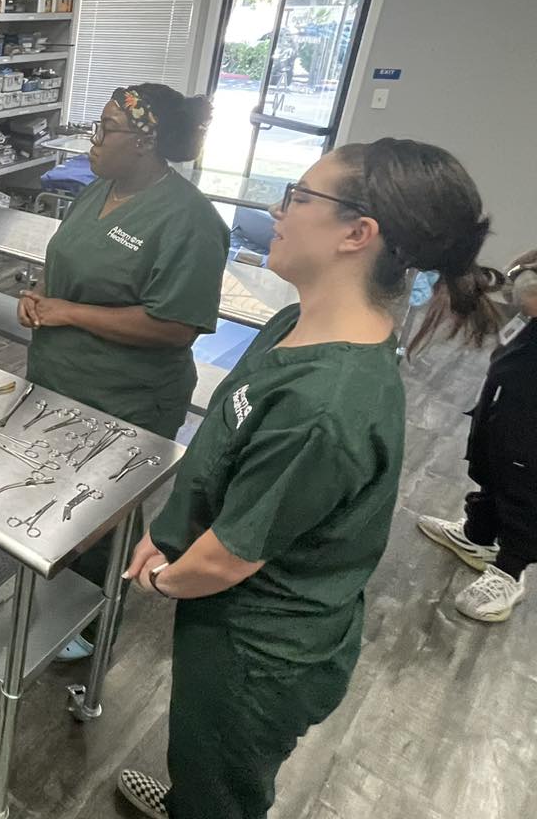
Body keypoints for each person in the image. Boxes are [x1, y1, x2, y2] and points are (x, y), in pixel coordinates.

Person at [115, 139, 501, 819]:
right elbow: (221, 451)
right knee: (199, 760)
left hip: (258, 652)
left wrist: (162, 578)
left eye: (297, 196)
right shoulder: (298, 324)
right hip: (224, 618)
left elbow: (230, 557)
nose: (278, 209)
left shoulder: (328, 407)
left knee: (223, 788)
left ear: (358, 233)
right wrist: (169, 533)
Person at [18, 84, 229, 659]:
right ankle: (60, 590)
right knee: (64, 494)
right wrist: (41, 297)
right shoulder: (97, 192)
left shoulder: (191, 221)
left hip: (126, 396)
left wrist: (68, 311)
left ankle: (92, 622)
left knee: (107, 513)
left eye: (104, 128)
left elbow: (176, 325)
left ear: (143, 141)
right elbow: (70, 268)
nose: (92, 138)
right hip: (61, 378)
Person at [417, 250, 537, 622]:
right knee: (494, 445)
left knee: (525, 470)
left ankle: (509, 572)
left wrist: (525, 282)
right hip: (523, 363)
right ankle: (478, 534)